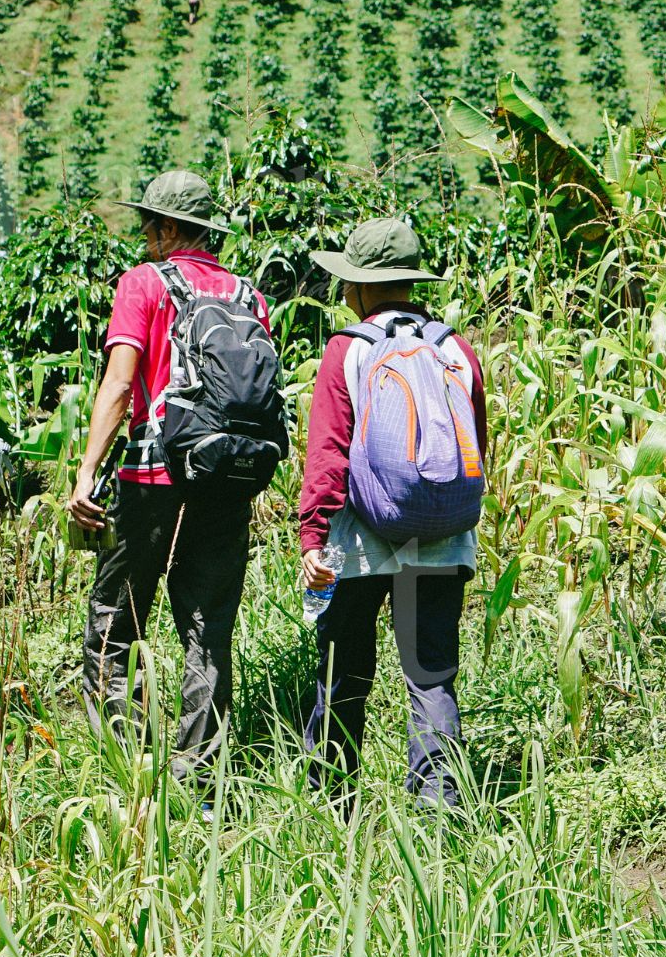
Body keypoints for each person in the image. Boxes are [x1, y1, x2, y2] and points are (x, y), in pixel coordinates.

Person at [69, 169, 278, 777]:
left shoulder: (143, 284)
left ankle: (121, 765)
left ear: (165, 228)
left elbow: (120, 380)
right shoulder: (248, 296)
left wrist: (87, 473)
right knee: (207, 623)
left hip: (150, 476)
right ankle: (202, 777)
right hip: (226, 477)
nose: (142, 238)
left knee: (117, 617)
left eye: (146, 227)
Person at [298, 218, 490, 808]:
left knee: (343, 672)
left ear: (357, 289)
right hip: (442, 538)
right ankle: (440, 816)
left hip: (361, 543)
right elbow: (476, 443)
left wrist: (312, 538)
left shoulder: (348, 350)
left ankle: (330, 807)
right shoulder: (454, 347)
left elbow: (328, 452)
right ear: (409, 283)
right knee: (430, 676)